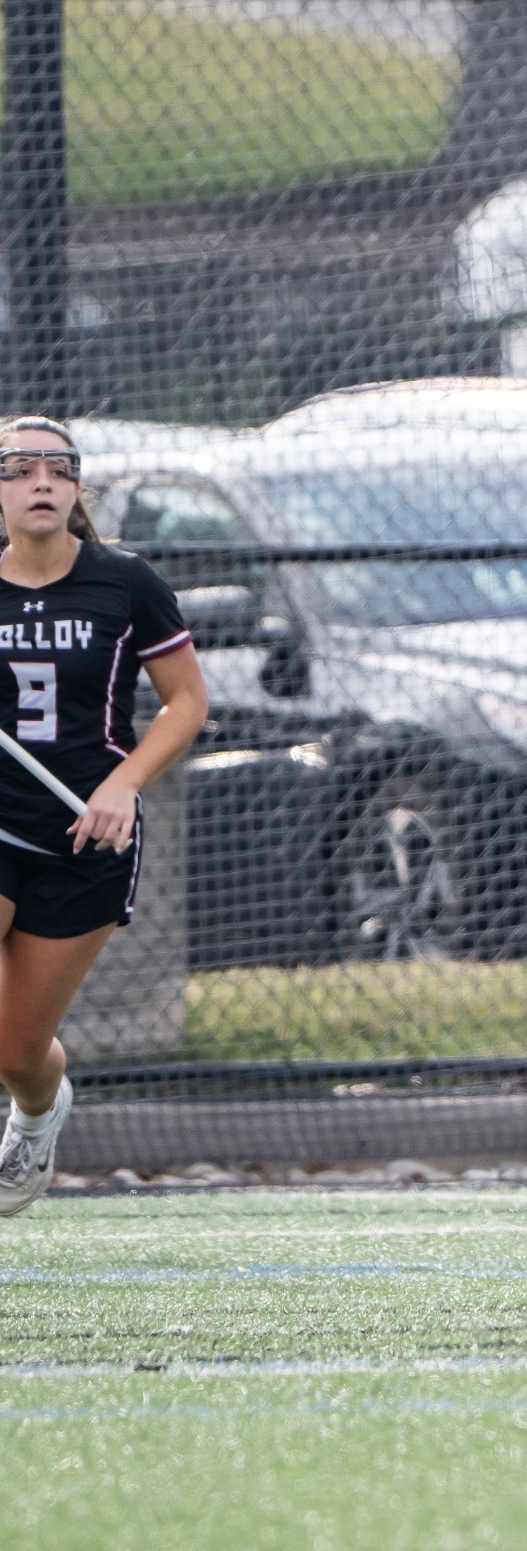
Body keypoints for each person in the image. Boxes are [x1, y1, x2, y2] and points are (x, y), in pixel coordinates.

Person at [0, 416, 208, 1216]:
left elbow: (187, 702)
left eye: (57, 468)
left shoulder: (126, 583)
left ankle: (38, 1113)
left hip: (87, 833)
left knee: (18, 1048)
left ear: (77, 486)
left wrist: (125, 783)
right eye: (19, 468)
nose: (40, 481)